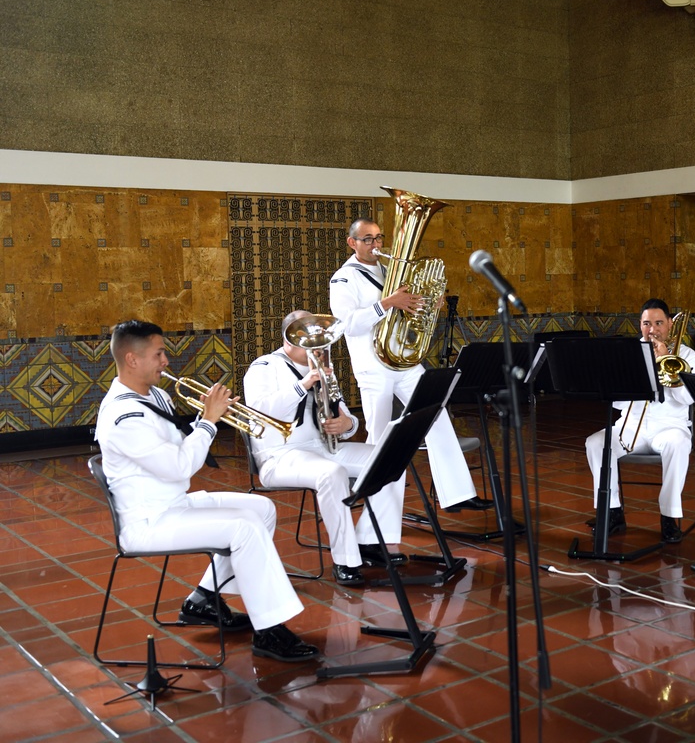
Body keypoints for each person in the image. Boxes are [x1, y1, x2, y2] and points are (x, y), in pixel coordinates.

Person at [94, 320, 319, 662]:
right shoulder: (123, 415)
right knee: (244, 527)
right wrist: (208, 421)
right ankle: (270, 630)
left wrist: (206, 417)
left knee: (262, 510)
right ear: (132, 360)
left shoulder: (153, 394)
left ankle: (203, 598)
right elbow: (180, 467)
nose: (166, 361)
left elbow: (177, 451)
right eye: (159, 354)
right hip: (148, 521)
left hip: (173, 503)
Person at [329, 218, 491, 550]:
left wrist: (426, 303)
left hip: (404, 360)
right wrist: (387, 303)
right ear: (352, 243)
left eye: (379, 238)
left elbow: (407, 310)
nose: (376, 244)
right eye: (368, 239)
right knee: (381, 442)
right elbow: (348, 325)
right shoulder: (343, 278)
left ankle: (458, 494)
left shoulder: (389, 270)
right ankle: (376, 527)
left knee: (436, 414)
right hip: (373, 368)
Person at [242, 310, 378, 586]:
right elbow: (259, 411)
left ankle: (371, 540)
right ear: (288, 339)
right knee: (332, 474)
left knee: (385, 458)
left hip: (322, 448)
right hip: (279, 456)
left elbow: (345, 416)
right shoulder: (264, 367)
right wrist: (304, 384)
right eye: (308, 337)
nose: (318, 346)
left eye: (319, 338)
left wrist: (346, 425)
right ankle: (346, 559)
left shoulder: (322, 367)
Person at [584, 299, 695, 543]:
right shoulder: (628, 352)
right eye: (647, 323)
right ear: (640, 325)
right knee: (595, 443)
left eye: (659, 323)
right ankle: (612, 511)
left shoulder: (687, 354)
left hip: (669, 427)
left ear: (670, 324)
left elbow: (689, 398)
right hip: (630, 427)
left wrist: (668, 363)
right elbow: (616, 403)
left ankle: (669, 517)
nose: (653, 329)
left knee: (677, 444)